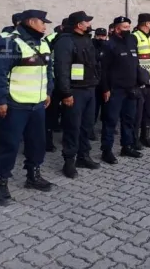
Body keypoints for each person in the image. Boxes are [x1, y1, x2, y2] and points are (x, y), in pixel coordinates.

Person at [0, 10, 54, 205]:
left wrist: (48, 92)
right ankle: (1, 182)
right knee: (9, 145)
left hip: (38, 103)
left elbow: (48, 69)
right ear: (31, 21)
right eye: (43, 22)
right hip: (15, 104)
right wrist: (0, 101)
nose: (45, 26)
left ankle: (33, 176)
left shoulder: (43, 42)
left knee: (37, 143)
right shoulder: (9, 42)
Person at [53, 11, 101, 179]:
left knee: (87, 126)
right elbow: (62, 69)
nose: (89, 25)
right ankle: (69, 162)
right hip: (74, 91)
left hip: (89, 89)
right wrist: (66, 93)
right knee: (72, 127)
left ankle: (84, 156)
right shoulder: (65, 41)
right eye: (87, 22)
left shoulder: (86, 39)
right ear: (79, 25)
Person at [100, 16, 143, 164]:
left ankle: (127, 146)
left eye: (129, 27)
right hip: (115, 90)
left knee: (129, 119)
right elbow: (103, 70)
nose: (128, 30)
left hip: (131, 88)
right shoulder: (109, 44)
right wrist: (105, 88)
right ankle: (106, 151)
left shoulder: (132, 40)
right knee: (110, 121)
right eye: (125, 27)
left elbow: (135, 63)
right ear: (117, 28)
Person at [133, 13, 150, 149]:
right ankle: (134, 139)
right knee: (138, 112)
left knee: (149, 111)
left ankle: (145, 136)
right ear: (148, 23)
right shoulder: (135, 36)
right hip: (140, 81)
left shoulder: (149, 38)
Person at [44, 18, 68, 152]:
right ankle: (48, 140)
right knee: (52, 112)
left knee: (61, 111)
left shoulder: (67, 38)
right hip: (54, 79)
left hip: (61, 79)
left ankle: (54, 139)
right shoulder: (52, 39)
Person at [93, 27, 108, 137]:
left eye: (103, 36)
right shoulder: (91, 46)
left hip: (106, 82)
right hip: (94, 82)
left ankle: (105, 128)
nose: (101, 38)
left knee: (107, 108)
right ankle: (90, 129)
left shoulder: (108, 47)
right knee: (94, 109)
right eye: (99, 35)